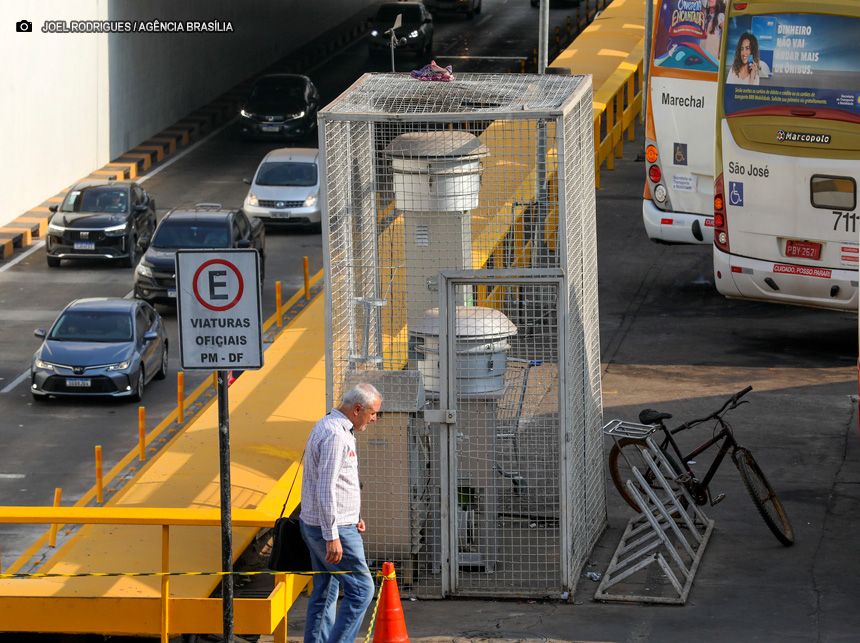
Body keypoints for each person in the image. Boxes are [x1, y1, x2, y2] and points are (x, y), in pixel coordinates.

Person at [300, 382, 382, 643]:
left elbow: (334, 484)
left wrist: (352, 515)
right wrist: (332, 534)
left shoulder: (327, 425)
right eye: (372, 413)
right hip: (333, 530)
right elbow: (326, 487)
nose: (374, 418)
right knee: (361, 591)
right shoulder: (337, 436)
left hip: (322, 524)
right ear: (357, 409)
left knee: (326, 589)